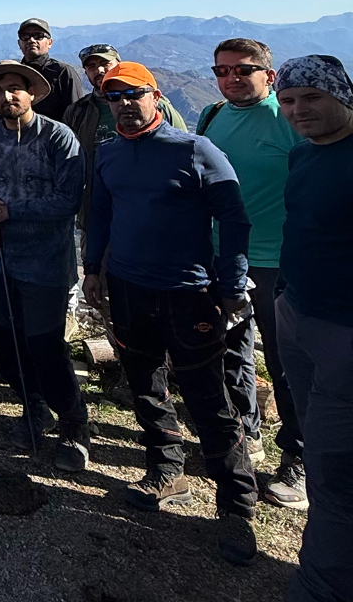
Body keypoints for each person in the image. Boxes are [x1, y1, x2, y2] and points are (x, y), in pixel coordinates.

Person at [82, 61, 258, 567]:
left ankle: (236, 507)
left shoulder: (194, 149)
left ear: (155, 96)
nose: (124, 104)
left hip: (189, 292)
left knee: (209, 400)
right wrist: (93, 268)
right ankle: (166, 470)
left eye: (133, 95)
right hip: (129, 288)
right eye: (113, 97)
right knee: (145, 387)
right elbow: (101, 212)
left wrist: (230, 283)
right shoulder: (110, 153)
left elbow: (234, 218)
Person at [196, 39, 307, 503]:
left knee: (287, 362)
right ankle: (246, 435)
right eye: (222, 71)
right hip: (218, 255)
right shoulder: (212, 115)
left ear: (269, 74)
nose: (231, 78)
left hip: (277, 259)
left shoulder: (290, 120)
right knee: (230, 350)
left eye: (243, 70)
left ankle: (299, 459)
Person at [0, 60, 90, 471]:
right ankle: (31, 406)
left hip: (45, 263)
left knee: (45, 345)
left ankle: (74, 421)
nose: (7, 96)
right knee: (8, 342)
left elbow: (67, 201)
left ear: (32, 93)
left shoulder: (59, 137)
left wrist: (9, 211)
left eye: (15, 88)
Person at [273, 54, 353, 602]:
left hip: (344, 329)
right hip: (295, 313)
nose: (299, 110)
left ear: (341, 96)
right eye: (290, 101)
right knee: (314, 436)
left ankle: (320, 585)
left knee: (333, 465)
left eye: (311, 98)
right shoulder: (304, 156)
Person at [65, 44, 188, 236]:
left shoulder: (157, 107)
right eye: (91, 66)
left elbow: (184, 151)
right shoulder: (78, 112)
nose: (99, 70)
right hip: (97, 218)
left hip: (154, 217)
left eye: (105, 63)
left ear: (119, 64)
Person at [16, 18, 84, 122]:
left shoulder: (63, 72)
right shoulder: (15, 73)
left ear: (50, 43)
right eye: (25, 36)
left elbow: (76, 115)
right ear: (19, 44)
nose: (31, 40)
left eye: (38, 36)